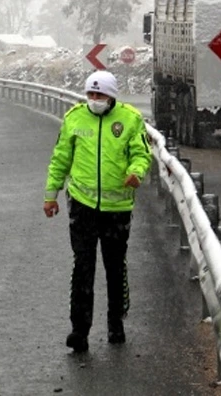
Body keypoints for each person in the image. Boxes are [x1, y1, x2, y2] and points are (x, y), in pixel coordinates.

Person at [43, 70, 152, 353]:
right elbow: (60, 158)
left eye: (100, 95)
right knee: (83, 267)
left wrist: (136, 172)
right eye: (90, 95)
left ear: (111, 96)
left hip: (117, 209)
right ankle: (79, 330)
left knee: (115, 268)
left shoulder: (130, 119)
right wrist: (50, 195)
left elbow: (141, 154)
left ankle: (116, 322)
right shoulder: (74, 118)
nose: (94, 100)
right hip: (82, 207)